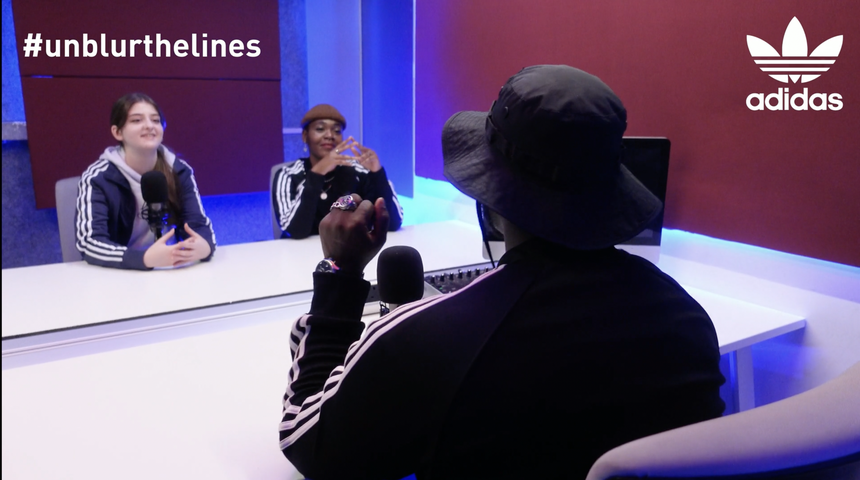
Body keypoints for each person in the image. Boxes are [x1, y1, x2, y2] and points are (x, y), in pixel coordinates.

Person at [278, 66, 725, 479]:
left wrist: (339, 270)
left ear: (488, 193)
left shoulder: (428, 341)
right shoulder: (686, 319)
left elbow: (309, 442)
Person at [75, 92, 216, 270]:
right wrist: (144, 259)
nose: (149, 126)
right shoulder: (98, 178)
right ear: (117, 132)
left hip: (172, 267)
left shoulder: (179, 171)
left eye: (156, 120)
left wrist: (205, 246)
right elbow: (89, 243)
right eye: (136, 120)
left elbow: (199, 226)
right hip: (122, 271)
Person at [272, 104, 403, 239]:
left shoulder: (358, 172)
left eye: (337, 131)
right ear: (305, 136)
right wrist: (316, 174)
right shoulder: (288, 174)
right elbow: (295, 230)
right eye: (320, 129)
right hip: (299, 251)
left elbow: (393, 223)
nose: (330, 135)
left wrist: (377, 173)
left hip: (349, 249)